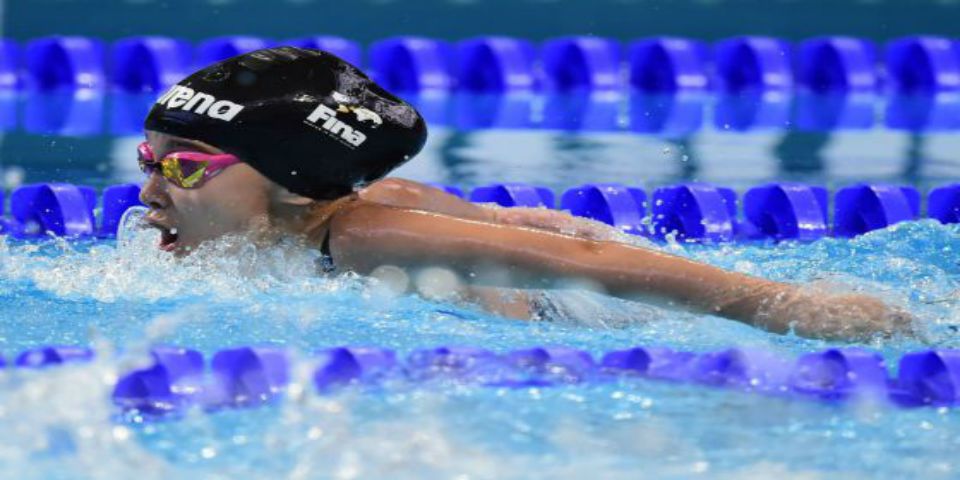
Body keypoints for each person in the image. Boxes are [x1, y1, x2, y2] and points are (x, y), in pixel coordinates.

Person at [138, 46, 913, 341]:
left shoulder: (367, 240)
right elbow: (510, 221)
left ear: (296, 191)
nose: (148, 191)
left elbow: (594, 263)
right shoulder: (325, 216)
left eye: (184, 168)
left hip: (582, 313)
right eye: (149, 159)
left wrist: (777, 306)